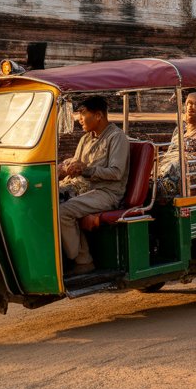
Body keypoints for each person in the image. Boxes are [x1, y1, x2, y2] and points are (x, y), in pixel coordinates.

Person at [58, 95, 130, 276]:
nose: (79, 119)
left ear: (98, 115)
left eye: (82, 113)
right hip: (81, 188)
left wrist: (86, 170)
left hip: (106, 193)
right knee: (45, 200)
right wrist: (65, 168)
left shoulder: (117, 138)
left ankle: (79, 260)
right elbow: (76, 163)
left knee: (63, 212)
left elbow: (116, 172)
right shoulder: (85, 139)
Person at [157, 90, 196, 198]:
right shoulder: (180, 130)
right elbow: (170, 152)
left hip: (188, 175)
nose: (191, 107)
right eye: (188, 103)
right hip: (167, 169)